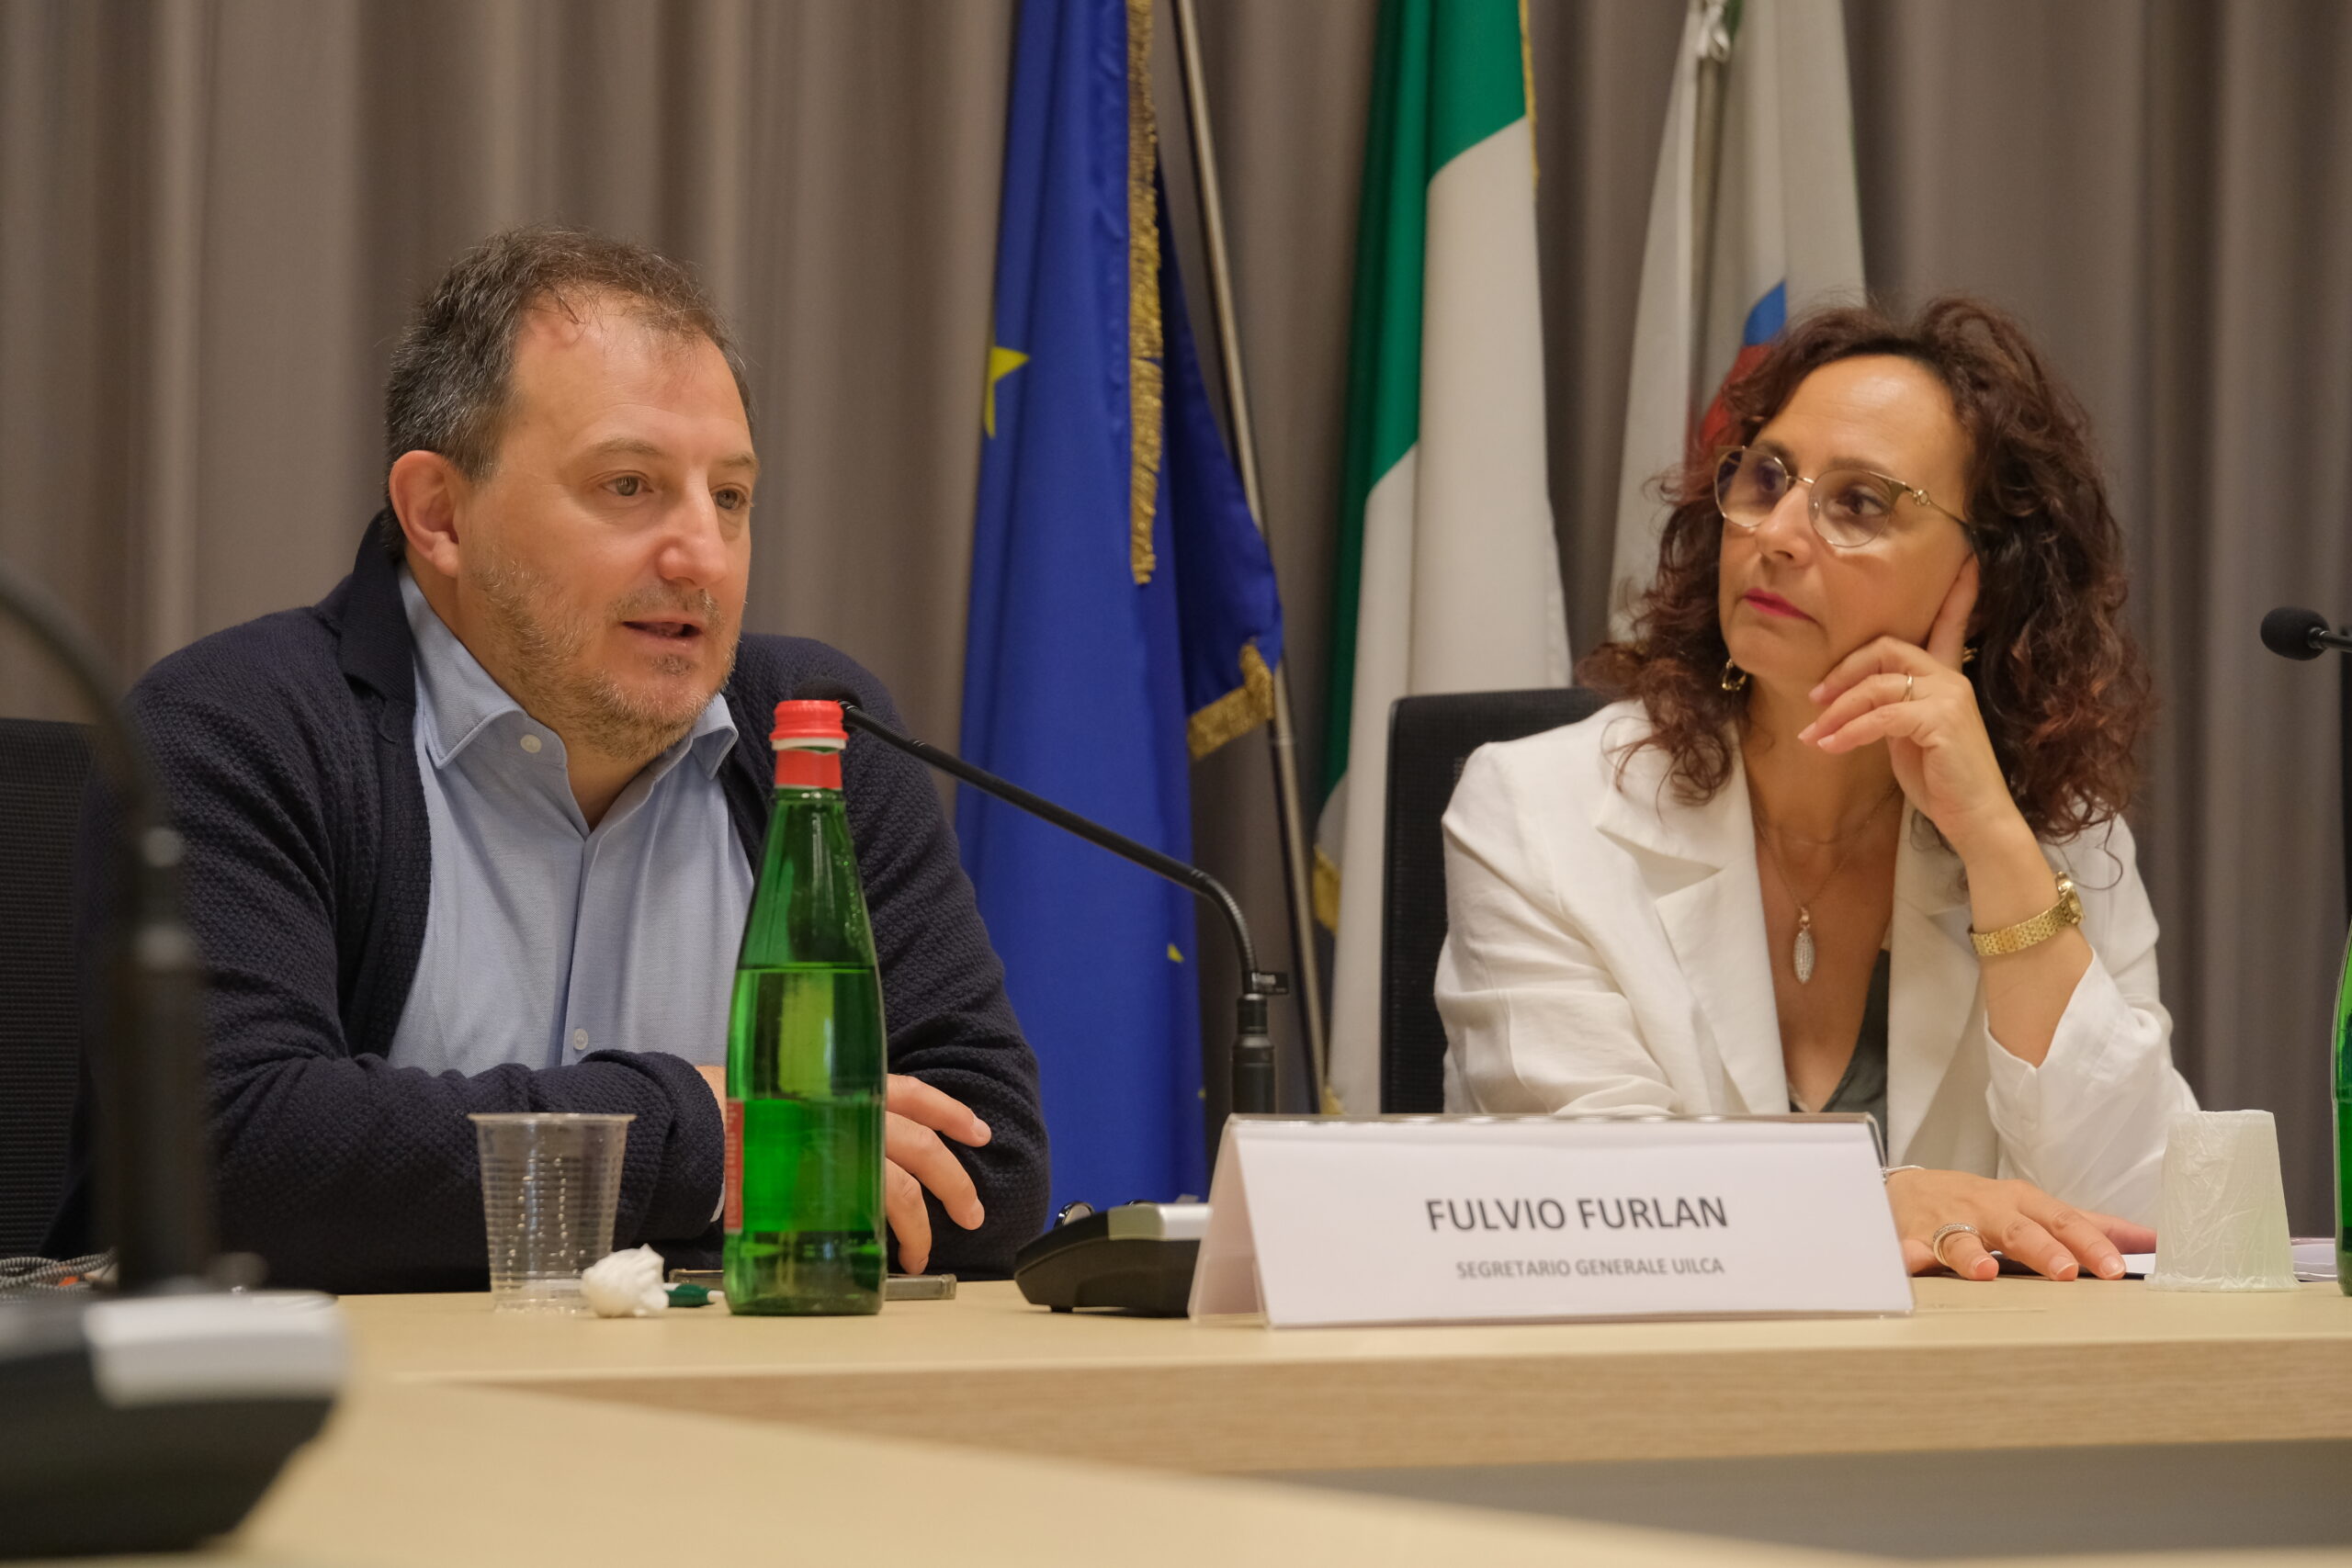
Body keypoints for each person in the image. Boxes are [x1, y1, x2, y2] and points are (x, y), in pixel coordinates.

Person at [54, 226, 1048, 1292]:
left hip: (719, 1395)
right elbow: (233, 1157)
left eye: (729, 497)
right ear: (439, 513)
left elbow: (985, 1170)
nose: (702, 558)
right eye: (628, 486)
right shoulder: (238, 724)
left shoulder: (812, 738)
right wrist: (706, 1139)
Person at [1437, 297, 2196, 1283]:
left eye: (1860, 504)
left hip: (1978, 1377)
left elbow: (2140, 1214)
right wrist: (1869, 1202)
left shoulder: (2059, 842)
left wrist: (1995, 847)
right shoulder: (1534, 811)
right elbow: (1582, 1204)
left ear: (1981, 584)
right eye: (1767, 478)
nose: (1780, 534)